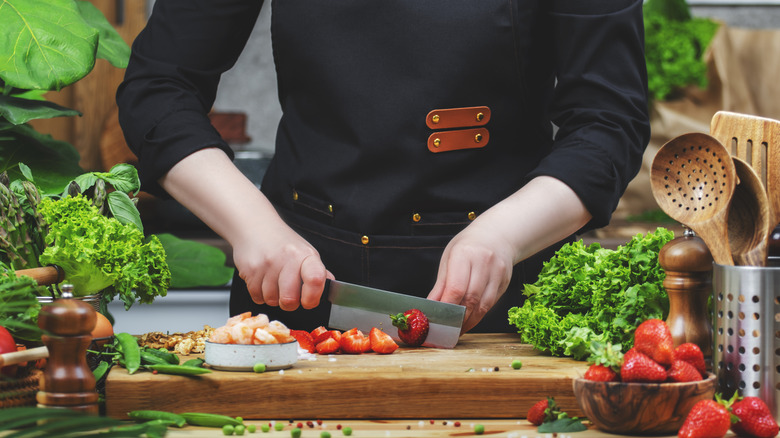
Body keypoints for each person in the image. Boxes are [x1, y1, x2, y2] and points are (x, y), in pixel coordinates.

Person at [116, 0, 650, 334]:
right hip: (298, 289)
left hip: (505, 305)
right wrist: (252, 226)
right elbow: (159, 90)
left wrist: (504, 236)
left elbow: (609, 121)